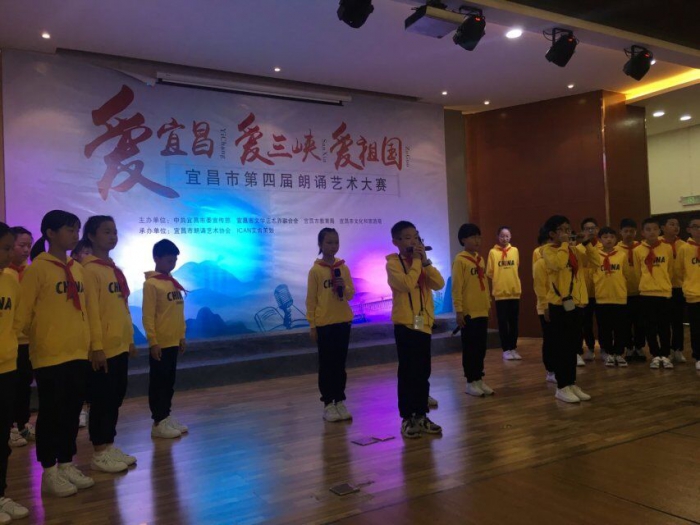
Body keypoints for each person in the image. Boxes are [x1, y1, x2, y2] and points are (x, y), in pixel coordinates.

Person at [14, 210, 95, 497]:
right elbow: (22, 316)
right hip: (49, 354)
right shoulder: (37, 269)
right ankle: (49, 470)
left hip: (77, 351)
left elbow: (86, 311)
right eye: (69, 230)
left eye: (77, 230)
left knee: (72, 411)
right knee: (51, 412)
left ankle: (66, 462)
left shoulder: (78, 269)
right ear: (50, 233)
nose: (75, 235)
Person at [81, 216, 138, 473]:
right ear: (91, 236)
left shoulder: (113, 269)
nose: (113, 236)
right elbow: (91, 312)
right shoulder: (89, 270)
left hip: (119, 345)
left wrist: (129, 339)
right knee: (102, 400)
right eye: (106, 232)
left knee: (115, 397)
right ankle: (99, 451)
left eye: (114, 231)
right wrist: (96, 347)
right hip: (103, 348)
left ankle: (109, 444)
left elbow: (123, 307)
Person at [386, 221, 444, 439]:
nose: (414, 241)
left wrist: (425, 261)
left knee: (423, 372)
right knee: (408, 373)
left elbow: (438, 284)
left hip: (423, 323)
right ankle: (407, 418)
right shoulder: (393, 264)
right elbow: (407, 284)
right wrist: (418, 262)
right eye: (408, 237)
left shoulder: (421, 263)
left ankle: (421, 415)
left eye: (416, 237)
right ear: (396, 242)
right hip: (405, 325)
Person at [305, 228, 355, 422]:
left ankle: (340, 400)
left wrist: (344, 286)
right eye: (329, 242)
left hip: (342, 321)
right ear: (320, 244)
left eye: (336, 242)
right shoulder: (316, 271)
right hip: (324, 324)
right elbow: (311, 300)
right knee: (327, 364)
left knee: (340, 364)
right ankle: (328, 403)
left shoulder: (343, 267)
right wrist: (312, 325)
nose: (333, 246)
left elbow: (350, 295)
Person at [542, 215, 592, 403]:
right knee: (561, 347)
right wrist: (564, 244)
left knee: (573, 347)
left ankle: (571, 382)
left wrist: (586, 243)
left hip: (576, 303)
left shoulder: (573, 250)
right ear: (552, 233)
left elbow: (594, 261)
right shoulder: (548, 250)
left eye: (568, 229)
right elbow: (558, 264)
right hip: (559, 305)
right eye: (561, 230)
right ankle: (562, 386)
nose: (566, 233)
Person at [0, 222, 30, 522]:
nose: (9, 254)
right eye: (5, 248)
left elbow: (16, 322)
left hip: (7, 366)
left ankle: (0, 494)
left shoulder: (9, 281)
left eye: (10, 248)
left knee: (2, 440)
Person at [143, 239, 187, 439]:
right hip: (160, 343)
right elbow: (148, 316)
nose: (173, 264)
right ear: (156, 258)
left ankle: (166, 416)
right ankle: (158, 421)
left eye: (175, 260)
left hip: (173, 341)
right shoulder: (151, 284)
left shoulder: (172, 282)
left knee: (169, 382)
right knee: (158, 383)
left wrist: (181, 336)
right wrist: (153, 341)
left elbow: (178, 312)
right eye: (169, 260)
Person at [454, 224, 494, 397]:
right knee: (470, 348)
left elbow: (484, 283)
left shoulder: (480, 259)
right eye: (473, 237)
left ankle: (479, 378)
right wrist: (459, 310)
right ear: (463, 239)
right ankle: (470, 381)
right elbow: (457, 287)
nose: (477, 240)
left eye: (479, 236)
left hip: (481, 309)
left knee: (481, 347)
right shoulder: (460, 260)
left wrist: (488, 303)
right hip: (469, 312)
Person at [633, 218, 675, 370]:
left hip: (663, 293)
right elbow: (637, 272)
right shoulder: (638, 250)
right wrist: (645, 285)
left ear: (659, 231)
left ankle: (665, 354)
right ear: (643, 232)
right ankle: (655, 355)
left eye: (655, 229)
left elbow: (670, 269)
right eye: (648, 229)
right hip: (646, 293)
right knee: (650, 326)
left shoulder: (667, 248)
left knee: (664, 326)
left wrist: (664, 284)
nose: (652, 232)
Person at [6, 227, 34, 448]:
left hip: (28, 341)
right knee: (10, 388)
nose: (26, 250)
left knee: (24, 385)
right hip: (9, 341)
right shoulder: (6, 274)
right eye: (21, 245)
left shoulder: (31, 272)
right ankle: (10, 427)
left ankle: (23, 424)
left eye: (29, 245)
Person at [591, 227, 631, 367]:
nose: (609, 239)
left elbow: (626, 274)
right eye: (605, 237)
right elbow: (592, 274)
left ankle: (619, 353)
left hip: (619, 297)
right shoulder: (595, 255)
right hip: (602, 297)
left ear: (616, 239)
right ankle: (607, 352)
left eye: (612, 237)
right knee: (604, 328)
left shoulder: (621, 255)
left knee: (620, 327)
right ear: (600, 239)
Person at [486, 227, 522, 360]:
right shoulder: (492, 252)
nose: (504, 238)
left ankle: (513, 348)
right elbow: (490, 272)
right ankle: (506, 349)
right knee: (502, 323)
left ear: (510, 237)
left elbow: (516, 266)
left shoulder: (515, 250)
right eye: (502, 236)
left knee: (514, 322)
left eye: (507, 236)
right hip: (500, 293)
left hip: (514, 292)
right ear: (498, 237)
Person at [660, 217, 687, 363]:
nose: (675, 227)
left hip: (679, 287)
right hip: (663, 287)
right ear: (663, 227)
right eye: (671, 224)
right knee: (664, 321)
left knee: (678, 320)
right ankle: (666, 350)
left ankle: (677, 349)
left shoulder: (684, 245)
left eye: (677, 224)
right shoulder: (657, 244)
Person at [617, 219, 645, 361]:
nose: (629, 234)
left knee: (640, 322)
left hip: (640, 291)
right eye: (626, 231)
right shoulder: (615, 249)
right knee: (625, 323)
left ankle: (639, 347)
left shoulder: (641, 248)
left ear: (636, 232)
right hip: (623, 293)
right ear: (620, 232)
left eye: (632, 231)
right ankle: (628, 348)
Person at [533, 228, 555, 383]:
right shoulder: (540, 263)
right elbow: (539, 287)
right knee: (549, 339)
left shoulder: (559, 260)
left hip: (559, 304)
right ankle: (550, 370)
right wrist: (545, 305)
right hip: (545, 306)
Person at [578, 218, 602, 361]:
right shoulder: (579, 248)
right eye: (587, 229)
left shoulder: (603, 246)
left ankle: (605, 348)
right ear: (582, 231)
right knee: (586, 323)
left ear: (598, 230)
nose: (591, 231)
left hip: (600, 290)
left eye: (593, 228)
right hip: (585, 291)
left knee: (602, 322)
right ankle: (590, 348)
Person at [678, 216, 700, 371]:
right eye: (695, 226)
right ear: (689, 229)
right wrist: (688, 286)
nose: (699, 229)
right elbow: (679, 271)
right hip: (694, 295)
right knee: (697, 328)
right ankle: (698, 356)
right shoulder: (684, 248)